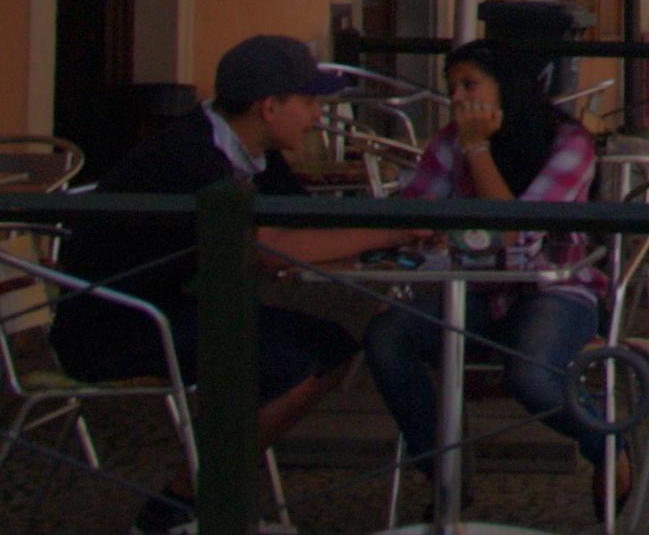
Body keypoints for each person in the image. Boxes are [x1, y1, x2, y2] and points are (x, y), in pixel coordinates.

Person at [56, 35, 405, 532]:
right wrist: (392, 230)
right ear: (269, 106)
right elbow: (265, 247)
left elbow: (302, 223)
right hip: (116, 324)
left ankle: (210, 498)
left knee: (330, 349)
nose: (317, 116)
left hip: (178, 306)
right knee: (293, 370)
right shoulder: (192, 155)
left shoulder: (252, 152)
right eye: (308, 103)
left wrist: (384, 236)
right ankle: (181, 508)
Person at [360, 43, 619, 504]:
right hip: (471, 287)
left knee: (531, 377)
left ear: (508, 90)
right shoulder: (446, 140)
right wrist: (426, 225)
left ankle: (608, 445)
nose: (458, 99)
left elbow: (518, 234)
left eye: (469, 85)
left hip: (554, 287)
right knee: (387, 337)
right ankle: (445, 470)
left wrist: (477, 148)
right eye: (451, 88)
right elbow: (416, 210)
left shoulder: (569, 143)